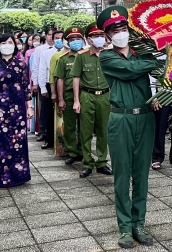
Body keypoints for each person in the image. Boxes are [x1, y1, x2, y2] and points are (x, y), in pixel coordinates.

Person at [97, 5, 162, 248]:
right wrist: (150, 62)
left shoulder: (141, 53)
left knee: (141, 175)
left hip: (145, 118)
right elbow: (131, 70)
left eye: (123, 28)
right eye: (115, 30)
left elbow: (156, 69)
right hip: (120, 119)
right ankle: (125, 228)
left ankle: (139, 224)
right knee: (122, 176)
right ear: (107, 36)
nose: (120, 32)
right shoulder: (107, 56)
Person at [0, 34, 33, 188]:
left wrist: (29, 107)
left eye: (10, 42)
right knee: (0, 142)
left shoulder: (21, 64)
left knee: (18, 141)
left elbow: (26, 87)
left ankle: (18, 176)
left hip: (18, 108)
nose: (7, 45)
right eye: (3, 43)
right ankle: (0, 177)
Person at [72, 23, 114, 177]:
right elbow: (76, 78)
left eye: (101, 36)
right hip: (87, 96)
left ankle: (102, 162)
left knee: (104, 130)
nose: (99, 39)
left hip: (105, 96)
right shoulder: (81, 55)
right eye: (95, 36)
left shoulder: (110, 55)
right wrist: (76, 101)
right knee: (86, 131)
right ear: (89, 40)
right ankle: (88, 163)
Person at [56, 26, 87, 166]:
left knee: (85, 125)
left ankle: (83, 151)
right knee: (69, 126)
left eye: (78, 39)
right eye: (72, 39)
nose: (75, 41)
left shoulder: (89, 56)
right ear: (67, 42)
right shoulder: (63, 59)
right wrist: (60, 99)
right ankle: (71, 152)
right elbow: (60, 80)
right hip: (68, 95)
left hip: (86, 95)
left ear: (83, 40)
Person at [36, 28, 64, 149]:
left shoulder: (67, 52)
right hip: (49, 84)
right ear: (52, 39)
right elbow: (42, 70)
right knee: (47, 114)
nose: (59, 41)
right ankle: (48, 139)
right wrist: (43, 88)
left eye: (62, 38)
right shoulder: (46, 53)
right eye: (57, 38)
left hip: (64, 85)